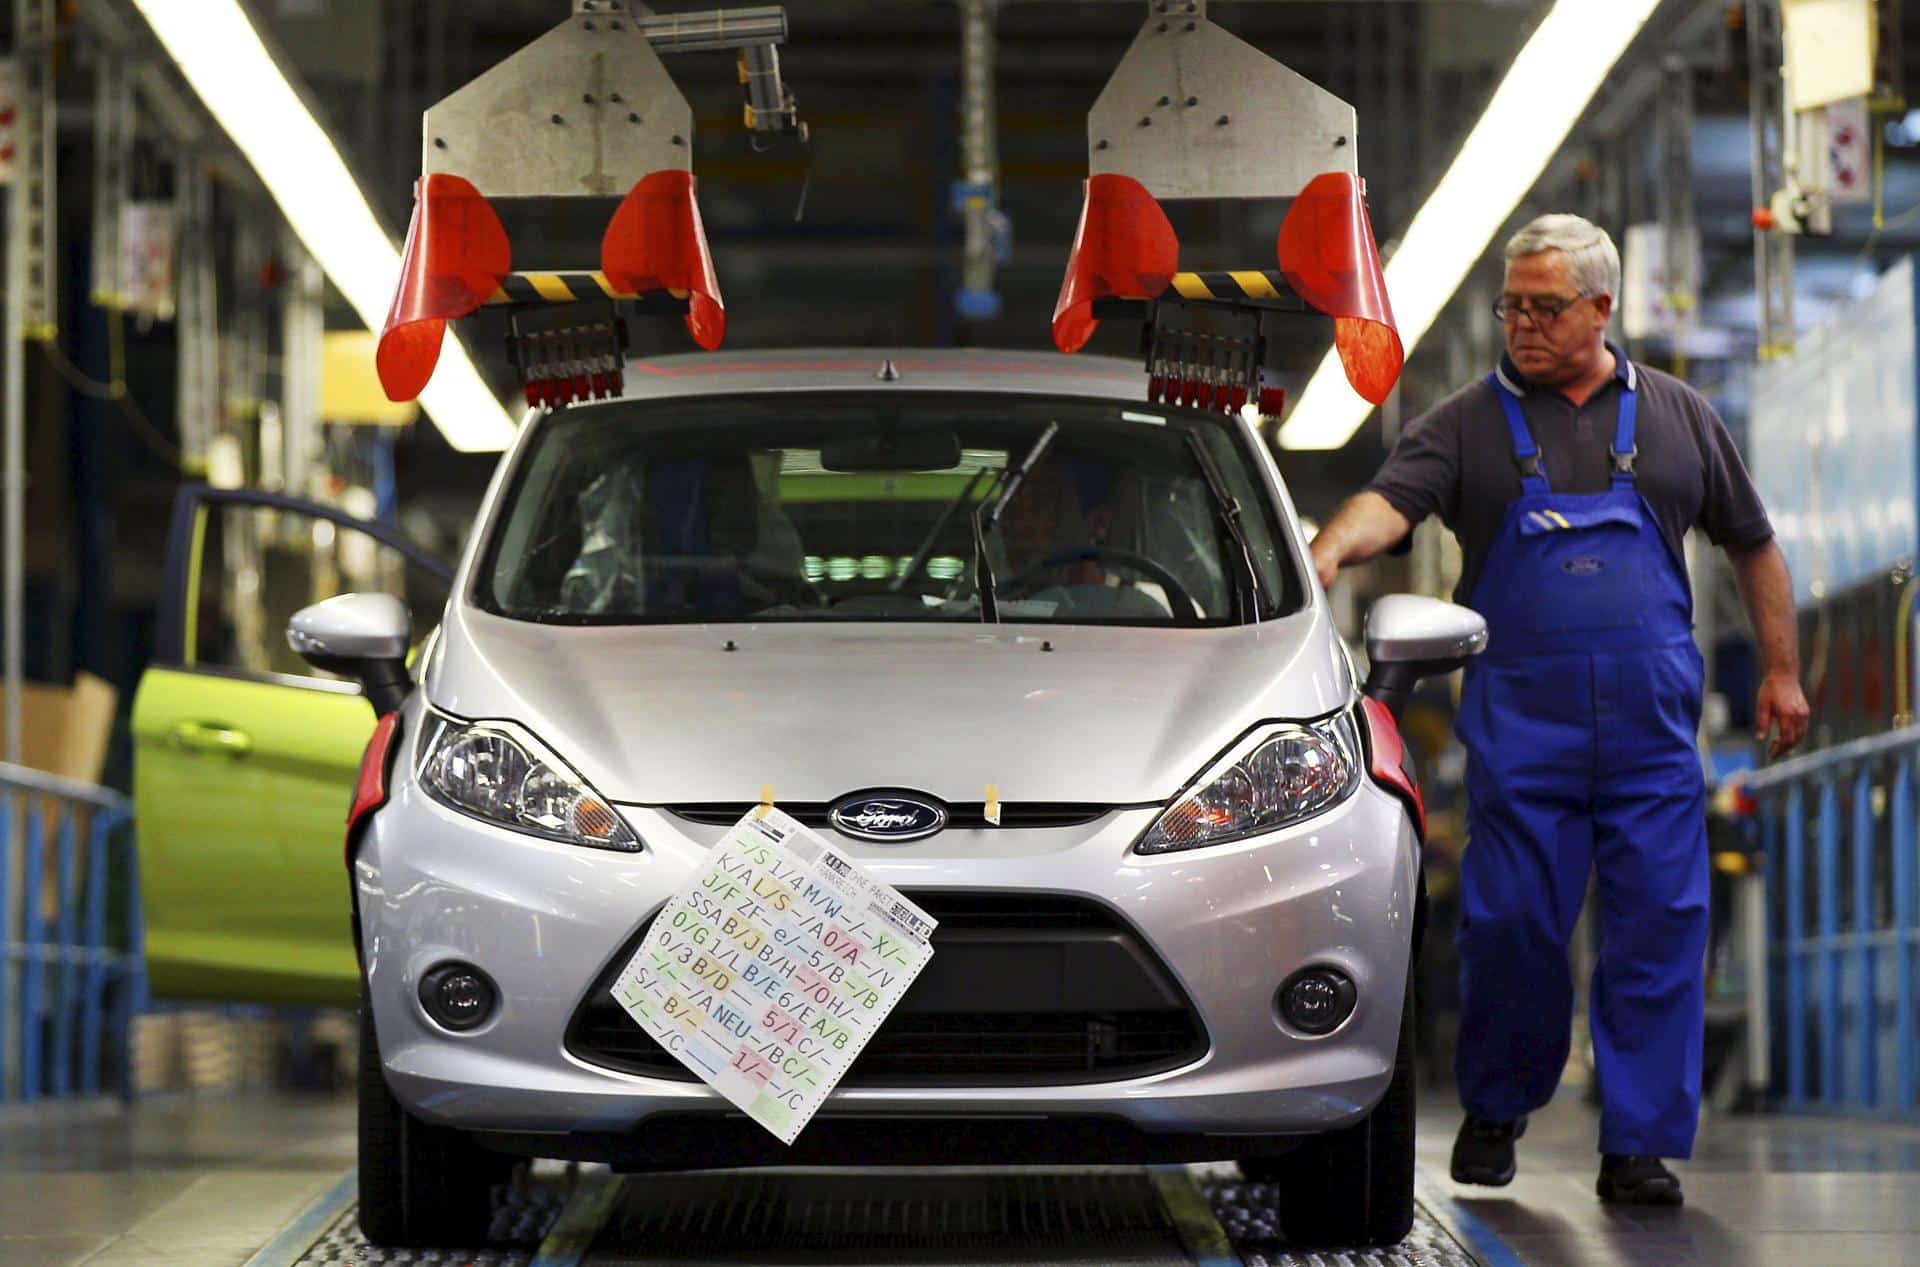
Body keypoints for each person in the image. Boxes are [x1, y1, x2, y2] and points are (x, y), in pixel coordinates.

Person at [1309, 214, 1810, 1206]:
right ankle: (1497, 1104)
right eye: (1512, 306)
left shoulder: (1678, 415)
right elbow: (1391, 504)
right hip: (1523, 735)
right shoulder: (1462, 423)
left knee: (1660, 930)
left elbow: (1752, 544)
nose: (1524, 325)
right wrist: (1330, 549)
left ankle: (1638, 1144)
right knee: (1512, 929)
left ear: (1601, 308)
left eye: (1545, 307)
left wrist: (1783, 673)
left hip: (1652, 738)